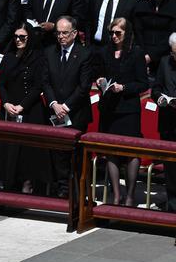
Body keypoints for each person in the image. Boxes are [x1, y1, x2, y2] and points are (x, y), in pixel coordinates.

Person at [95, 17, 149, 206]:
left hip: (128, 109)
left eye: (118, 33)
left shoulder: (135, 53)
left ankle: (130, 194)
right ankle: (117, 194)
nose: (115, 36)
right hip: (110, 108)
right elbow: (99, 74)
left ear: (127, 33)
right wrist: (101, 82)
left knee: (131, 151)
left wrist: (123, 87)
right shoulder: (105, 52)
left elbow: (143, 83)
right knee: (112, 151)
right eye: (112, 33)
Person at [0, 24, 52, 193]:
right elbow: (2, 84)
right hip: (9, 106)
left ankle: (27, 184)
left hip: (29, 108)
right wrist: (5, 103)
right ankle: (4, 181)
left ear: (30, 38)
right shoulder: (9, 57)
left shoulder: (38, 58)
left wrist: (22, 106)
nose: (18, 40)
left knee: (27, 151)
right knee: (4, 145)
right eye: (16, 37)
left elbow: (37, 86)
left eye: (22, 37)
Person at [43, 14, 93, 197]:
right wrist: (55, 104)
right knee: (57, 151)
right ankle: (61, 188)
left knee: (74, 154)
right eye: (58, 33)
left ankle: (76, 190)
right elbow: (45, 81)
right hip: (55, 111)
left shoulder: (85, 54)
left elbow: (84, 86)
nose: (61, 36)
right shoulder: (50, 52)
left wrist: (66, 106)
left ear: (74, 33)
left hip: (76, 112)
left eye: (65, 33)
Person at [151, 33, 176, 211]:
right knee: (170, 166)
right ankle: (173, 204)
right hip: (168, 121)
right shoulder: (165, 62)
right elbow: (156, 87)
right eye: (174, 53)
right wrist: (159, 97)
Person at [134, 0, 176, 76]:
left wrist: (151, 56)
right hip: (143, 53)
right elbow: (138, 32)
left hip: (165, 55)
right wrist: (143, 55)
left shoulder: (173, 7)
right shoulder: (141, 6)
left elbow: (171, 36)